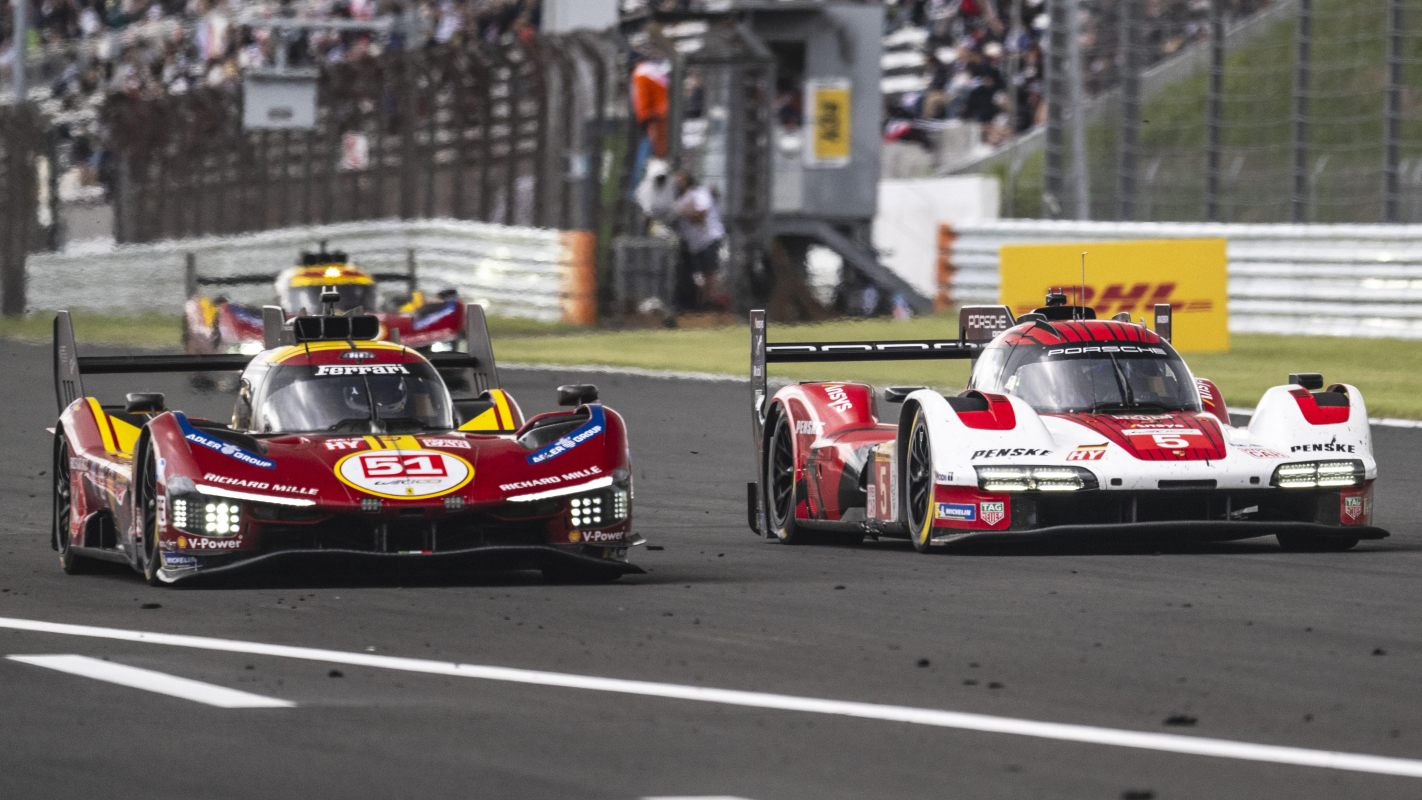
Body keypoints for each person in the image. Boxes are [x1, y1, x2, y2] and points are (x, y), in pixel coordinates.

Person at [671, 170, 725, 311]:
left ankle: (709, 303)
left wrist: (685, 212)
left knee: (710, 272)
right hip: (695, 245)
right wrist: (687, 211)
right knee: (698, 275)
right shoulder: (680, 201)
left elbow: (700, 217)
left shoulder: (699, 194)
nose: (677, 182)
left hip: (709, 238)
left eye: (680, 179)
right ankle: (700, 303)